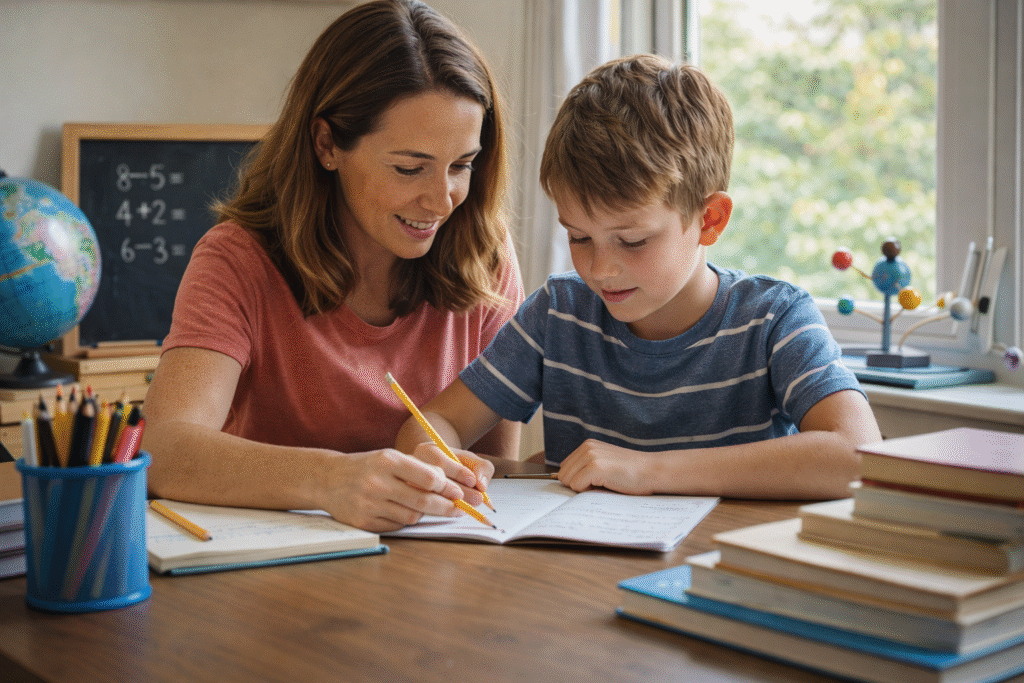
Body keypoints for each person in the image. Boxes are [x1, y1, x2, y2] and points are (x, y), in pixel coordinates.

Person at [396, 54, 881, 500]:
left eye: (632, 241)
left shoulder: (775, 318)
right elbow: (432, 422)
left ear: (709, 219)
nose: (600, 270)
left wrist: (649, 471)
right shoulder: (559, 313)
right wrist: (436, 456)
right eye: (579, 237)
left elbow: (859, 457)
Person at [142, 0, 524, 532]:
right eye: (410, 168)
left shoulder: (485, 253)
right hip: (273, 578)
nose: (442, 200)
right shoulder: (237, 259)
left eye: (462, 165)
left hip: (432, 575)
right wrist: (330, 479)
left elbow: (496, 466)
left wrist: (466, 472)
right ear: (327, 144)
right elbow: (164, 449)